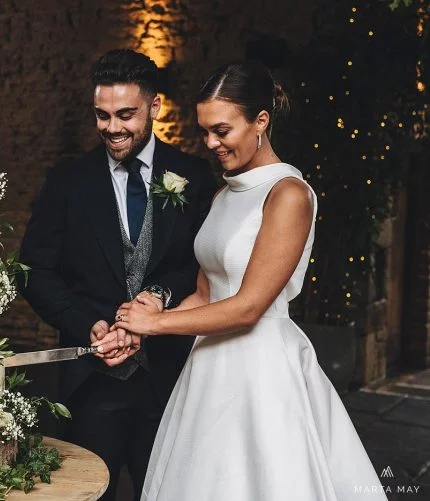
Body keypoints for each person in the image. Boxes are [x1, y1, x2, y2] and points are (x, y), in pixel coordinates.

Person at [94, 61, 388, 501]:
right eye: (205, 131)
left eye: (222, 130)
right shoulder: (222, 194)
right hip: (208, 365)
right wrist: (134, 329)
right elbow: (206, 293)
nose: (211, 143)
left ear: (260, 122)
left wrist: (154, 324)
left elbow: (250, 307)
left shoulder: (288, 194)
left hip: (261, 372)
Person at [18, 49, 217, 501]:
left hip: (170, 378)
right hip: (92, 385)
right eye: (102, 115)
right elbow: (36, 270)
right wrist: (85, 323)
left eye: (125, 114)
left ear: (155, 107)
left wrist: (161, 296)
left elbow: (203, 263)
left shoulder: (194, 175)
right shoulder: (67, 181)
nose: (112, 127)